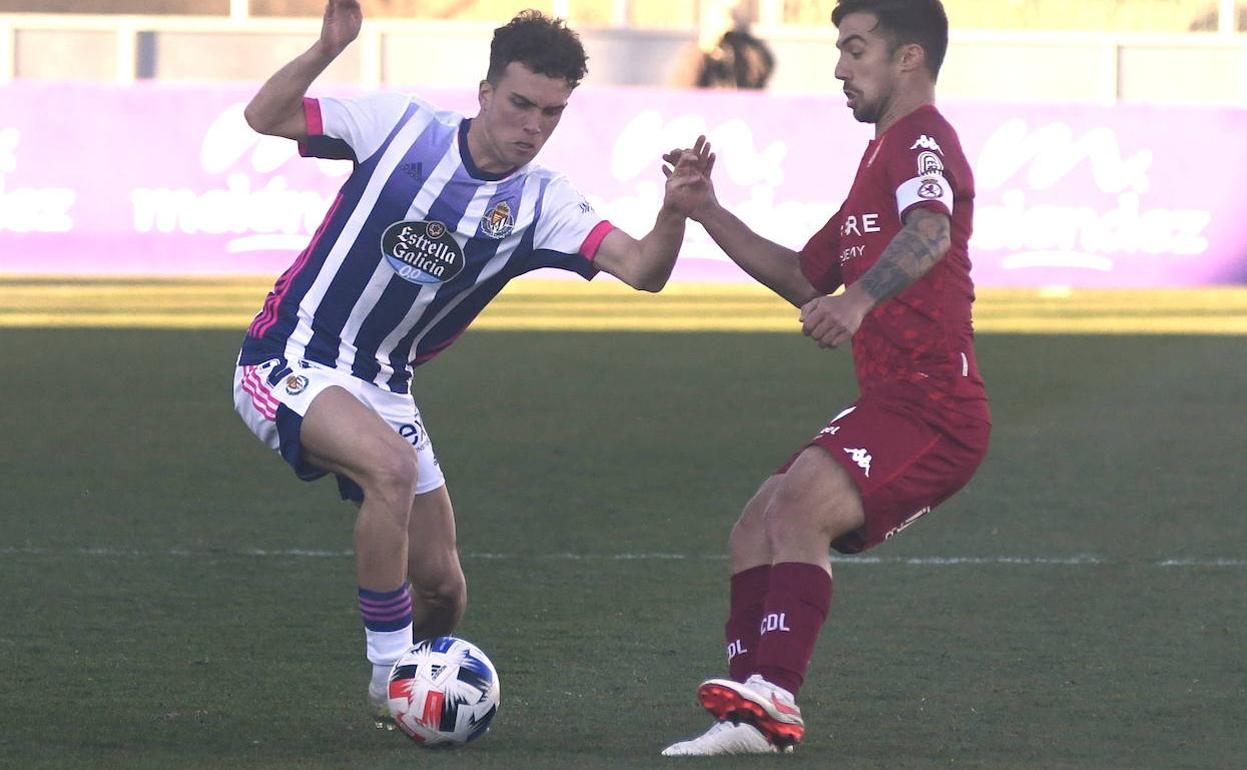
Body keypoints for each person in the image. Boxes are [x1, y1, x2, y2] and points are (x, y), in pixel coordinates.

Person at [230, 0, 710, 727]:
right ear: (485, 92)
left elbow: (643, 269)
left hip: (387, 387)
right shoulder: (400, 125)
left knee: (444, 591)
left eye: (551, 113)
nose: (533, 127)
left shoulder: (543, 201)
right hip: (287, 357)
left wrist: (675, 210)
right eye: (520, 104)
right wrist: (329, 45)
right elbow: (265, 115)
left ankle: (425, 701)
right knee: (388, 469)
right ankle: (390, 678)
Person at [661, 0, 990, 756]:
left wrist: (861, 301)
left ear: (907, 58)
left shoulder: (923, 138)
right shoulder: (877, 159)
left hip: (937, 405)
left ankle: (774, 696)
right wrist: (708, 212)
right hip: (894, 401)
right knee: (757, 522)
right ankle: (743, 714)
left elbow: (932, 230)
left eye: (854, 49)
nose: (840, 67)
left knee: (803, 500)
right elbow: (805, 275)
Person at [697, 4, 775, 89]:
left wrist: (742, 39)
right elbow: (688, 85)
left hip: (745, 98)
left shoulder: (747, 47)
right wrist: (708, 49)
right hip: (710, 99)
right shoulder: (698, 53)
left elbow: (763, 67)